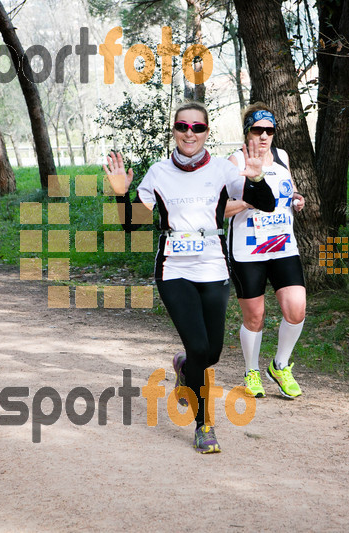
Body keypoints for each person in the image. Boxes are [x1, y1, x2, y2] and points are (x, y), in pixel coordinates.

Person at [103, 101, 274, 453]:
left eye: (197, 127)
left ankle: (184, 369)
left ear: (207, 132)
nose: (190, 133)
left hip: (212, 267)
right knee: (198, 347)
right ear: (175, 131)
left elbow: (267, 204)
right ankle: (204, 424)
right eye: (183, 126)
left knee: (209, 354)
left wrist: (256, 177)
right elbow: (131, 224)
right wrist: (121, 195)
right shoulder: (159, 173)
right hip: (174, 269)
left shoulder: (223, 171)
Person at [225, 102, 307, 399]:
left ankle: (280, 365)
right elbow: (219, 209)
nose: (263, 136)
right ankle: (251, 370)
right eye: (257, 130)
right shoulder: (234, 162)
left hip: (283, 246)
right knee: (255, 317)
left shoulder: (281, 157)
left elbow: (289, 190)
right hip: (248, 251)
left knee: (296, 310)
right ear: (247, 131)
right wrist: (251, 200)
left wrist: (296, 198)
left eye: (269, 131)